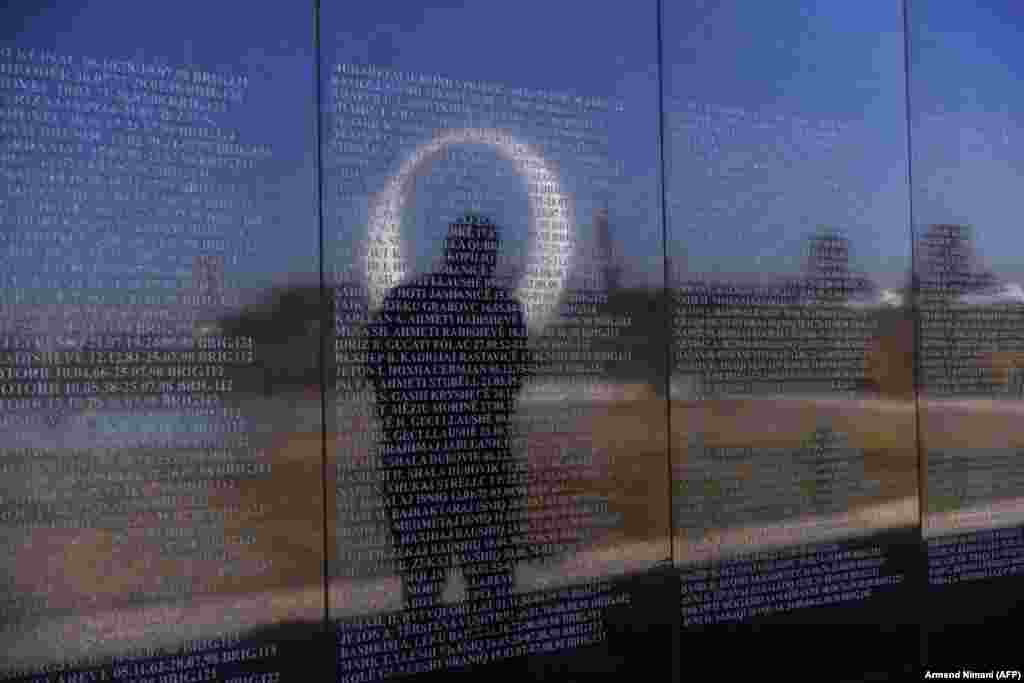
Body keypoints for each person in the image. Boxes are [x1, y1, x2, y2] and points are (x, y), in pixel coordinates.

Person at [366, 212, 531, 668]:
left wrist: (410, 425)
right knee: (486, 567)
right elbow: (509, 380)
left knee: (423, 569)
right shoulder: (501, 307)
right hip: (476, 459)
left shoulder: (403, 301)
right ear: (483, 255)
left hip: (416, 459)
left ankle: (423, 637)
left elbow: (378, 371)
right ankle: (490, 637)